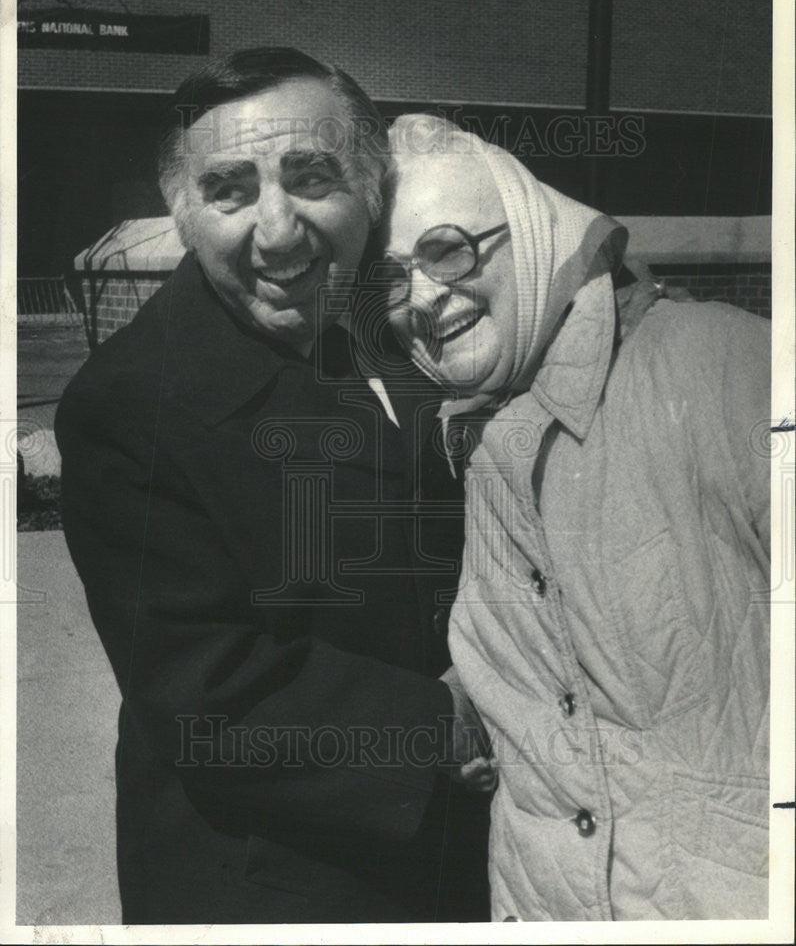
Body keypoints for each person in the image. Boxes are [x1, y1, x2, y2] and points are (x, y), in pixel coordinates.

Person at [55, 51, 492, 924]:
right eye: (230, 189)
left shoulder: (414, 325)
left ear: (372, 191)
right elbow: (205, 690)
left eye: (310, 175)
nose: (279, 230)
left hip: (463, 851)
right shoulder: (129, 404)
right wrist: (443, 724)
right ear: (184, 216)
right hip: (276, 880)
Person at [380, 113, 770, 921]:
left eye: (446, 249)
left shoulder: (727, 365)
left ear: (533, 228)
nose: (422, 297)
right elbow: (558, 660)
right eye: (389, 279)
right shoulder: (473, 435)